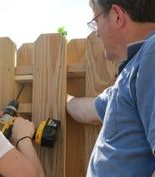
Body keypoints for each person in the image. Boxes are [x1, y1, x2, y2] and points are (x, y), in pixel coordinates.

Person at [67, 0, 155, 177]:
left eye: (96, 21)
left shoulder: (151, 56)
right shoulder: (133, 70)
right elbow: (86, 111)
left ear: (117, 16)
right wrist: (62, 98)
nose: (97, 32)